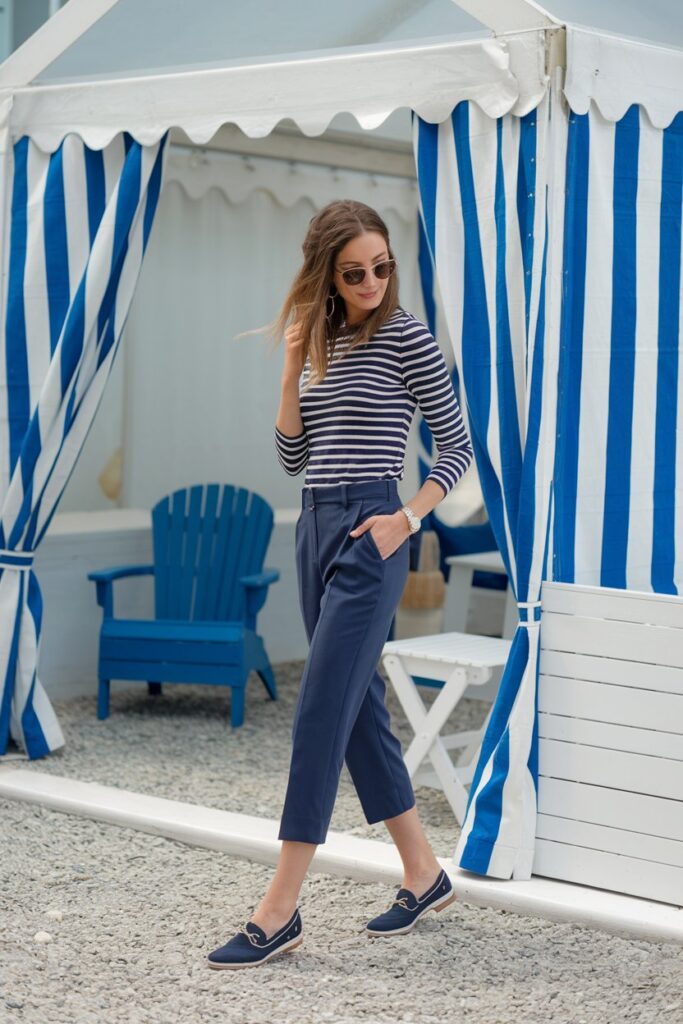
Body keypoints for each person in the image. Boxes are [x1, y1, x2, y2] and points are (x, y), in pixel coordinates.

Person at [207, 199, 473, 970]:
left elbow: (455, 444)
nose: (371, 281)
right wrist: (292, 367)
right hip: (314, 524)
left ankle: (278, 910)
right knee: (357, 715)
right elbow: (293, 459)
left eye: (382, 267)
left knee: (319, 712)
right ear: (326, 271)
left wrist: (408, 517)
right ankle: (424, 875)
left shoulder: (406, 333)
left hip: (371, 528)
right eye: (354, 271)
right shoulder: (320, 339)